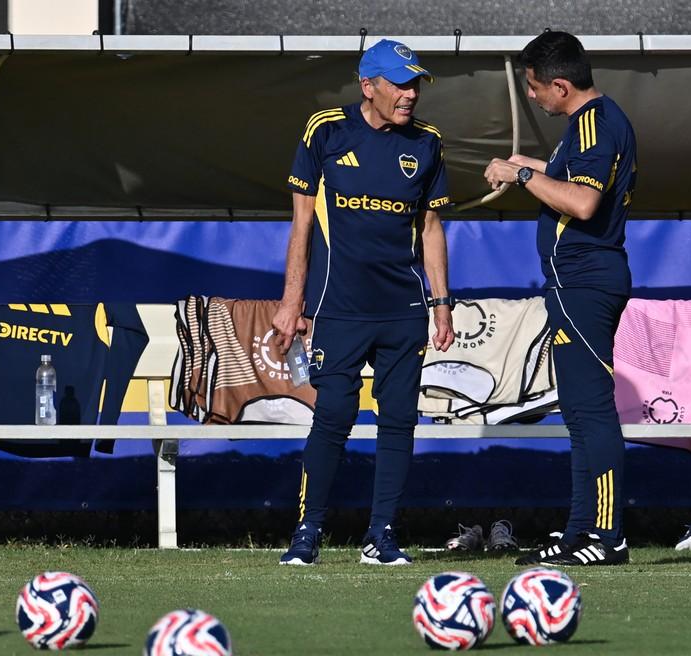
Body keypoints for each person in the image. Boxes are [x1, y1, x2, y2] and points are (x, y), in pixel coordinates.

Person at [273, 39, 455, 566]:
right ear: (367, 85)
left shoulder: (427, 142)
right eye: (399, 83)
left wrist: (441, 302)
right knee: (333, 416)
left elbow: (432, 226)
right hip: (340, 310)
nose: (410, 94)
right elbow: (301, 225)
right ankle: (307, 534)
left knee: (399, 421)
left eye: (415, 83)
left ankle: (382, 535)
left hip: (403, 311)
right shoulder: (325, 130)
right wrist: (291, 302)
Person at [484, 31, 637, 566]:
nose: (531, 96)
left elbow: (584, 202)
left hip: (586, 283)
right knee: (576, 411)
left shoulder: (595, 125)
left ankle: (608, 537)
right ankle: (579, 531)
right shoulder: (587, 125)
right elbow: (571, 179)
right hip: (574, 285)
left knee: (592, 413)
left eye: (534, 87)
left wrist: (523, 174)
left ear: (561, 85)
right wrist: (529, 164)